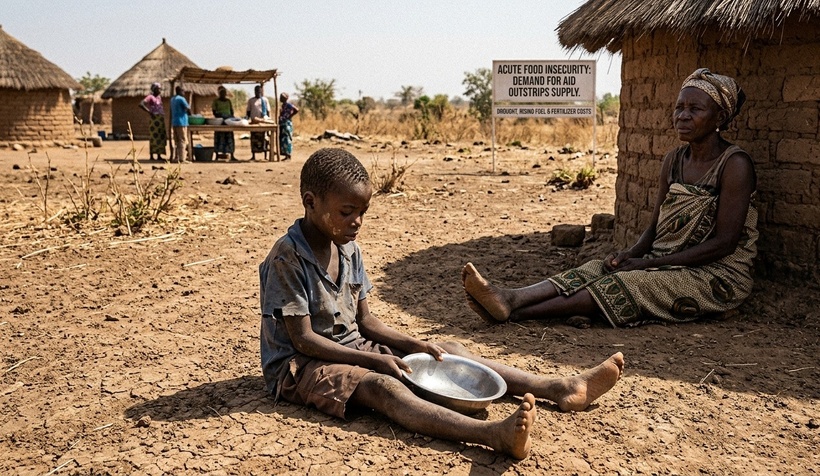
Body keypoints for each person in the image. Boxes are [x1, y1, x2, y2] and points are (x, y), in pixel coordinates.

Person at [259, 147, 624, 459]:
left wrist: (413, 345)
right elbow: (304, 339)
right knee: (381, 386)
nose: (357, 222)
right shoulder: (288, 258)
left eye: (363, 212)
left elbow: (367, 323)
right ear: (311, 202)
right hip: (300, 366)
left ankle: (558, 387)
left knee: (447, 351)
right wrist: (375, 360)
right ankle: (492, 435)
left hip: (352, 346)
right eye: (347, 211)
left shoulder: (348, 248)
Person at [462, 68, 757, 329]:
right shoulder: (674, 160)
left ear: (720, 117)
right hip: (665, 260)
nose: (683, 115)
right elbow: (655, 227)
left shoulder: (734, 165)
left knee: (626, 282)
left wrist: (648, 265)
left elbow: (724, 244)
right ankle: (510, 297)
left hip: (715, 274)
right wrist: (633, 253)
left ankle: (514, 315)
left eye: (695, 109)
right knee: (597, 268)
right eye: (679, 107)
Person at [139, 82, 166, 160]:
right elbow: (141, 104)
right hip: (154, 120)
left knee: (160, 137)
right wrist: (149, 112)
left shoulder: (159, 97)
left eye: (160, 89)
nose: (160, 90)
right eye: (158, 89)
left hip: (160, 119)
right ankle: (152, 156)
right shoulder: (150, 97)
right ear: (154, 89)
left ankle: (159, 155)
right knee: (154, 137)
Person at [246, 84, 271, 161]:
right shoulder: (251, 101)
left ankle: (265, 155)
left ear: (261, 91)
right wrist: (247, 119)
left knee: (264, 139)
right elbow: (248, 111)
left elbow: (268, 111)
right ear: (254, 91)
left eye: (259, 91)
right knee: (254, 138)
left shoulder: (265, 100)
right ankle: (253, 155)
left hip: (263, 121)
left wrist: (268, 120)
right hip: (254, 121)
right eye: (256, 91)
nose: (258, 92)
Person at [212, 86, 236, 161]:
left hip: (228, 121)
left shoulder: (228, 101)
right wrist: (221, 116)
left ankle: (232, 155)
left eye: (224, 93)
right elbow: (214, 112)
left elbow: (231, 111)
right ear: (219, 93)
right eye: (221, 93)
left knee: (229, 138)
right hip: (220, 122)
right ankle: (217, 155)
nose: (223, 94)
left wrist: (231, 117)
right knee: (219, 138)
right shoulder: (216, 101)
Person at [170, 85, 192, 163]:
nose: (184, 93)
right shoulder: (181, 99)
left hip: (174, 122)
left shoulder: (172, 99)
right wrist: (190, 114)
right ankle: (182, 159)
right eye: (183, 91)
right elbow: (188, 109)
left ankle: (176, 157)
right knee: (182, 140)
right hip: (182, 122)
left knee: (177, 141)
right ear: (180, 91)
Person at [278, 92, 298, 161]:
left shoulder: (288, 105)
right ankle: (286, 155)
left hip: (287, 123)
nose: (280, 98)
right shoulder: (283, 106)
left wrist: (290, 116)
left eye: (282, 97)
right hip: (283, 123)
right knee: (283, 139)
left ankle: (288, 155)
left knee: (287, 139)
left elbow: (296, 110)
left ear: (286, 98)